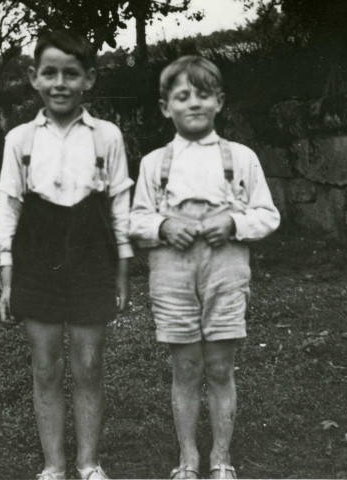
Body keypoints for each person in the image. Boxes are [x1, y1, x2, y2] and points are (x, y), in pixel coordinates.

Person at [129, 55, 280, 479]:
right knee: (186, 367)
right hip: (172, 275)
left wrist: (233, 221)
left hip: (225, 272)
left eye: (202, 94)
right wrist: (162, 225)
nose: (193, 103)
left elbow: (268, 215)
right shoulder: (154, 164)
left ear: (219, 102)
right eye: (182, 96)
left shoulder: (241, 158)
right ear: (165, 107)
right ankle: (188, 458)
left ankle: (221, 458)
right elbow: (135, 221)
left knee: (219, 366)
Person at [0, 30, 133, 480]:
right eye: (49, 73)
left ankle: (89, 463)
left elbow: (119, 204)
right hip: (37, 251)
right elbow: (10, 204)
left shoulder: (107, 137)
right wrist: (7, 270)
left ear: (88, 80)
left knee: (89, 364)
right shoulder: (20, 140)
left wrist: (123, 269)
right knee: (45, 364)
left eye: (70, 74)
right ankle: (54, 466)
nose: (60, 83)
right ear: (34, 78)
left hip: (91, 250)